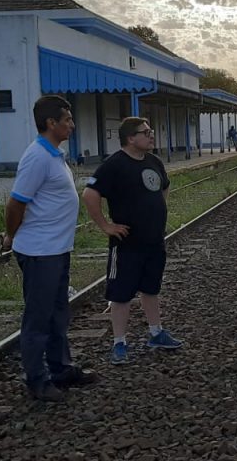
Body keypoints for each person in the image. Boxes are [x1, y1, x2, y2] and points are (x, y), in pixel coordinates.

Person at [3, 95, 95, 402]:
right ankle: (37, 381)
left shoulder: (55, 154)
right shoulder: (37, 157)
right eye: (67, 119)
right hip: (40, 252)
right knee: (38, 319)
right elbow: (16, 203)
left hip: (56, 250)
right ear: (50, 123)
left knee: (58, 315)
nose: (72, 123)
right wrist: (10, 236)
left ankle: (60, 369)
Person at [82, 117, 183, 365]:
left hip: (154, 240)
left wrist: (158, 209)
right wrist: (106, 225)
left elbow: (164, 187)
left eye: (150, 131)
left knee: (151, 288)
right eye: (145, 132)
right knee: (121, 294)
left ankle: (156, 332)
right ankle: (119, 343)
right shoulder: (114, 165)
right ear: (130, 138)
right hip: (127, 242)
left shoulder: (153, 161)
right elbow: (89, 194)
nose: (151, 135)